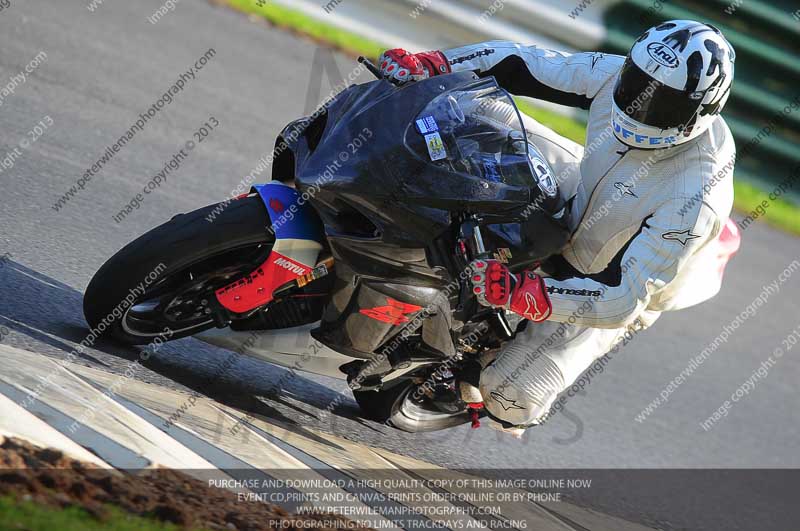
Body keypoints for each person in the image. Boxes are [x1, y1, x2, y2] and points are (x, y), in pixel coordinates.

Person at [377, 20, 741, 435]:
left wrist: (525, 294)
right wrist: (436, 62)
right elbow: (527, 61)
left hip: (602, 279)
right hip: (582, 189)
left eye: (664, 105)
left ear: (701, 113)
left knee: (513, 397)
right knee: (469, 113)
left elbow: (623, 298)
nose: (641, 105)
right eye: (638, 85)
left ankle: (470, 385)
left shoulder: (696, 198)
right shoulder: (625, 75)